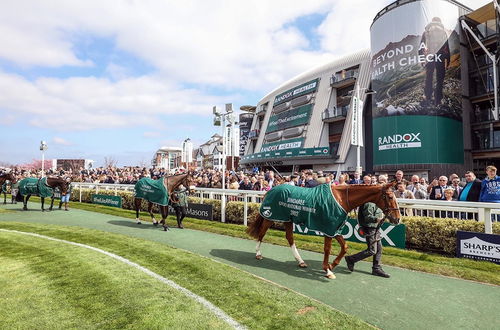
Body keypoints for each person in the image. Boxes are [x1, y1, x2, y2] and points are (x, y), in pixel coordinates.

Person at [345, 202, 391, 278]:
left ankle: (376, 268)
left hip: (375, 228)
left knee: (379, 249)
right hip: (369, 228)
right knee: (372, 250)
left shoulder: (375, 202)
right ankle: (351, 259)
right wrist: (377, 219)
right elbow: (367, 218)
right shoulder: (368, 203)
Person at [419, 17, 450, 106]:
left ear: (432, 22)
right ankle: (438, 99)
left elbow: (421, 46)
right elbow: (447, 48)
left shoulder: (426, 32)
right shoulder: (443, 32)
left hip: (429, 57)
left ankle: (427, 96)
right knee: (440, 78)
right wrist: (448, 60)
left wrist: (422, 59)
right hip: (440, 57)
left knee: (429, 77)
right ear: (440, 22)